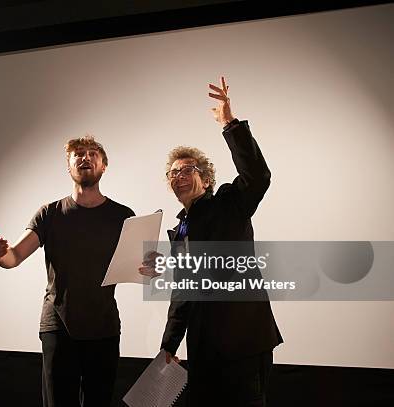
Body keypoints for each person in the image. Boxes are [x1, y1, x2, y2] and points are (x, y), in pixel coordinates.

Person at [139, 76, 283, 406]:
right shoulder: (179, 232)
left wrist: (230, 124)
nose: (179, 175)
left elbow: (258, 176)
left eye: (187, 169)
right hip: (203, 351)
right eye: (173, 173)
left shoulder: (229, 203)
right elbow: (182, 296)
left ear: (206, 179)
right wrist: (168, 348)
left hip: (244, 345)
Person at [0, 135, 134, 407]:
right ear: (69, 167)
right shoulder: (50, 213)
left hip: (104, 327)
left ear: (104, 166)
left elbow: (140, 267)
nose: (85, 157)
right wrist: (1, 255)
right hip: (58, 326)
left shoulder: (123, 216)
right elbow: (14, 257)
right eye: (78, 154)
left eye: (93, 153)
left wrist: (151, 266)